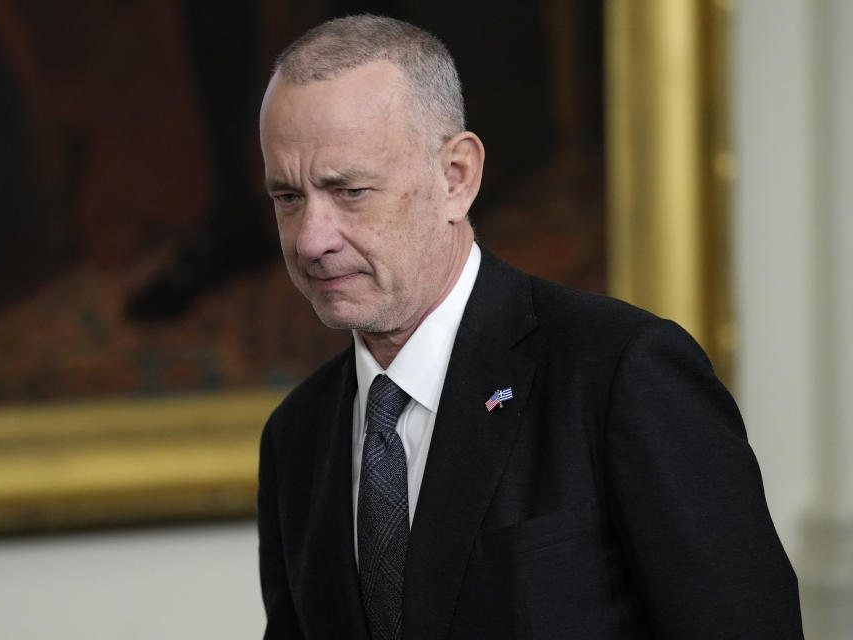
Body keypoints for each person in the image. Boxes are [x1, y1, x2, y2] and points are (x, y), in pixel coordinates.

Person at [256, 14, 802, 640]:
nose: (311, 240)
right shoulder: (295, 436)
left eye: (349, 190)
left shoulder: (621, 373)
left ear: (456, 176)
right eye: (288, 198)